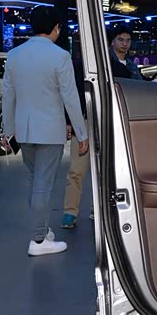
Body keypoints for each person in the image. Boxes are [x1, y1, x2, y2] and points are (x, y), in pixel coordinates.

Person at [2, 6, 88, 257]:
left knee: (34, 182)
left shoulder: (14, 55)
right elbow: (70, 97)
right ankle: (38, 240)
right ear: (56, 28)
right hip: (50, 129)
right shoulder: (60, 56)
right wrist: (81, 132)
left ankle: (42, 230)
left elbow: (8, 96)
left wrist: (7, 131)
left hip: (24, 130)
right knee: (43, 185)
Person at [60, 48, 90, 230]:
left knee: (107, 170)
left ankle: (98, 209)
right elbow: (68, 94)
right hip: (81, 121)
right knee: (76, 169)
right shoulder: (75, 66)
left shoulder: (114, 66)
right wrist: (69, 121)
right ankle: (70, 211)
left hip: (107, 121)